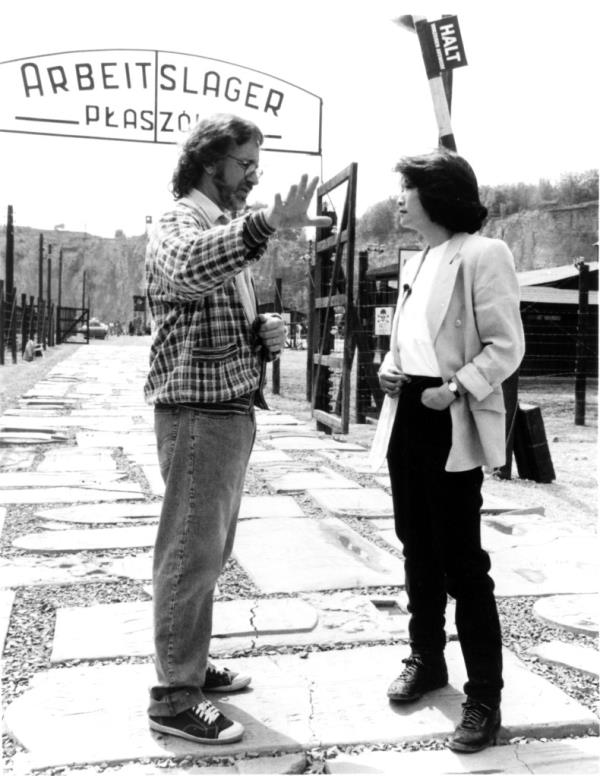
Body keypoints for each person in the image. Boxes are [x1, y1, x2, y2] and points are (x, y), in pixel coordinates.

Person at [144, 113, 330, 745]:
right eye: (245, 165)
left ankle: (189, 665)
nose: (253, 177)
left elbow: (212, 309)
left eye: (257, 166)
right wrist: (265, 224)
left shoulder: (219, 226)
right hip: (198, 409)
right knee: (191, 552)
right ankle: (174, 695)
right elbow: (188, 270)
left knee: (210, 549)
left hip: (226, 406)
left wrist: (263, 334)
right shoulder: (179, 220)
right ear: (207, 162)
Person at [370, 148, 525, 753]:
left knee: (462, 559)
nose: (399, 199)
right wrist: (388, 366)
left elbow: (505, 346)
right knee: (415, 544)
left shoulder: (485, 254)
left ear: (435, 194)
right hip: (405, 413)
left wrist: (456, 388)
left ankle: (484, 695)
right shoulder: (422, 256)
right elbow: (408, 339)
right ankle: (427, 657)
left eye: (406, 189)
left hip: (448, 417)